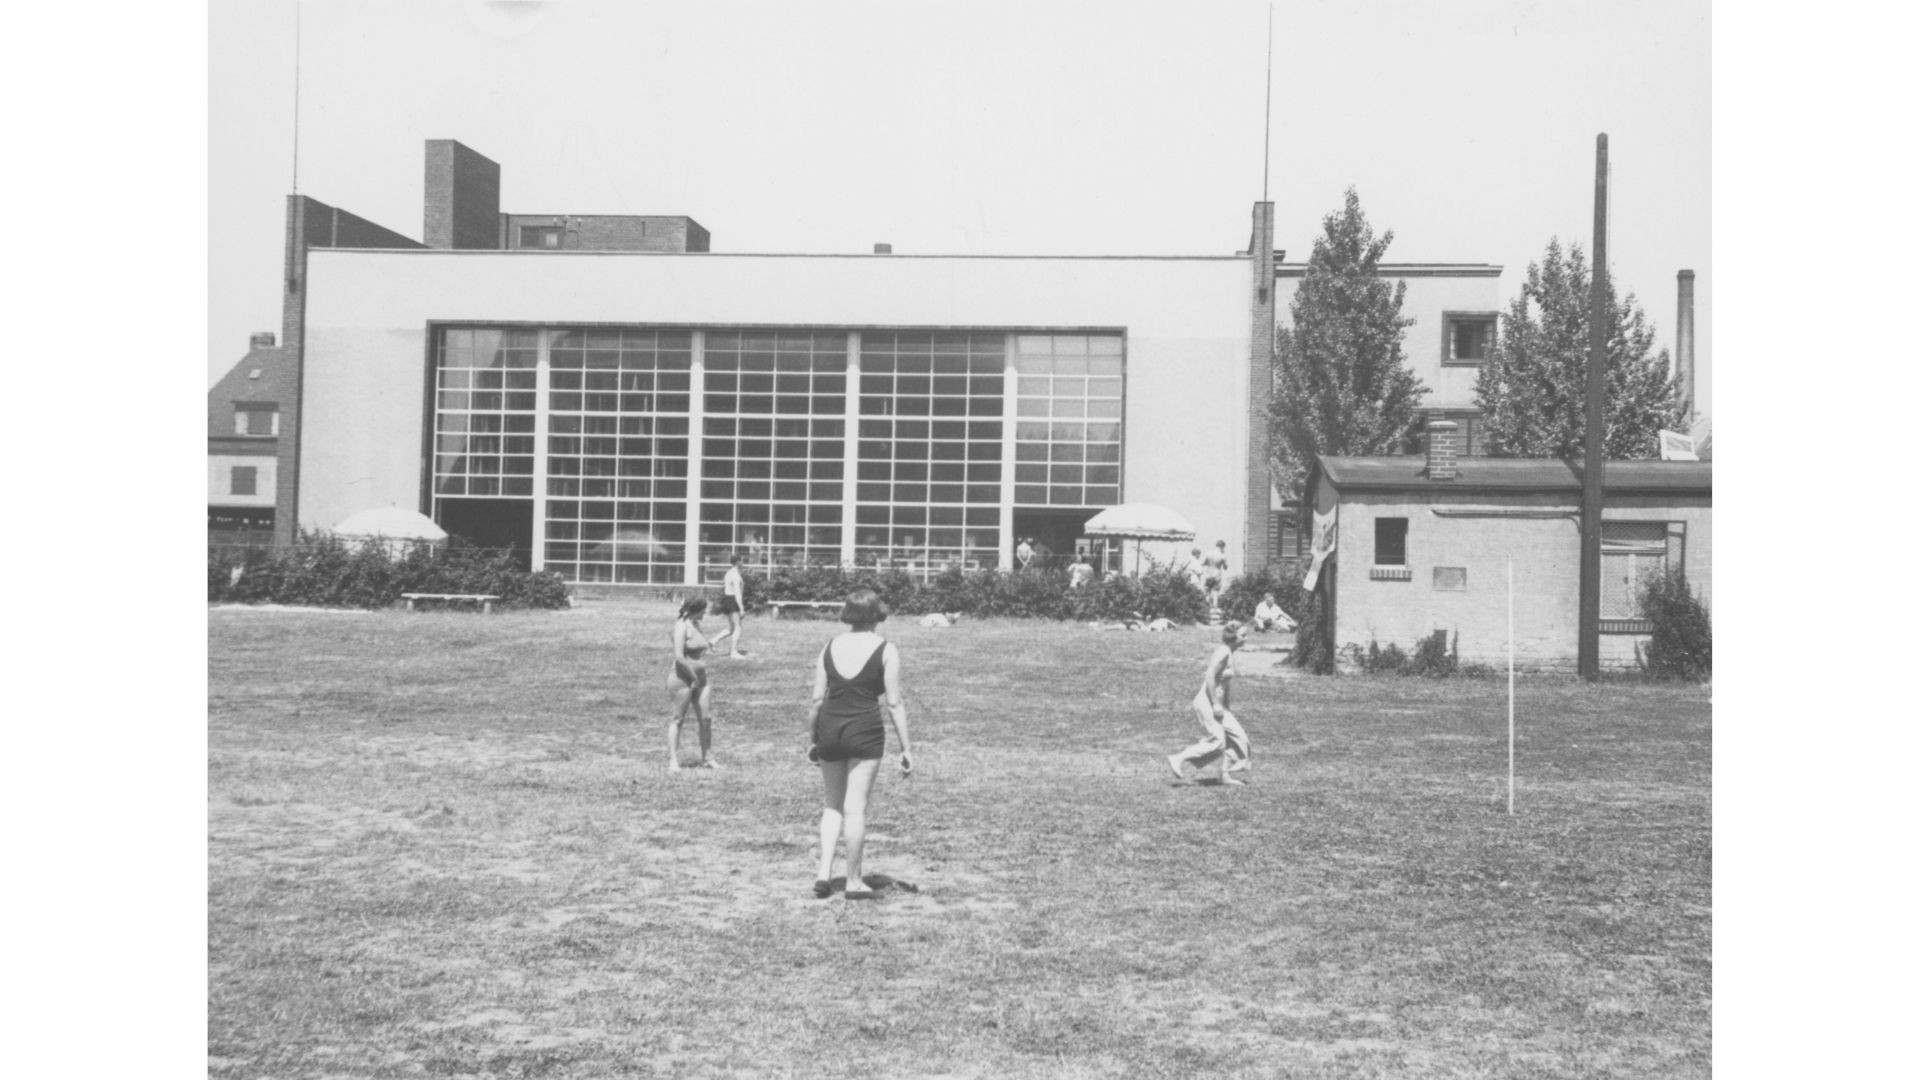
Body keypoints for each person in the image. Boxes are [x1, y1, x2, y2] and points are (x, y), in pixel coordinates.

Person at [807, 588, 914, 899]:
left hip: (829, 726)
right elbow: (894, 703)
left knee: (832, 805)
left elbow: (816, 699)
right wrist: (906, 748)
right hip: (864, 730)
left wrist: (812, 739)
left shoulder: (829, 646)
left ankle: (824, 873)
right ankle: (853, 880)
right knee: (855, 809)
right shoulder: (886, 649)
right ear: (876, 614)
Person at [1167, 621, 1251, 785]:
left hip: (1218, 703)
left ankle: (1225, 776)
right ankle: (1178, 758)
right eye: (1243, 635)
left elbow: (1223, 683)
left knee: (1239, 738)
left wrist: (1225, 705)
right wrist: (1216, 704)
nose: (1246, 638)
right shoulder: (1223, 652)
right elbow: (1210, 676)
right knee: (1218, 742)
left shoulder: (1230, 652)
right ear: (1233, 636)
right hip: (1207, 702)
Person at [666, 597, 719, 772]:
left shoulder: (695, 624)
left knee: (706, 719)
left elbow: (699, 646)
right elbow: (679, 656)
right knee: (678, 719)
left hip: (702, 679)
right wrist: (693, 678)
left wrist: (710, 644)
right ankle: (674, 761)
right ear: (696, 609)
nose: (705, 613)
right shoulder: (681, 626)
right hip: (682, 678)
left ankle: (708, 758)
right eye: (704, 610)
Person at [711, 553, 751, 659]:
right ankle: (733, 652)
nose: (743, 563)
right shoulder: (736, 576)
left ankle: (712, 641)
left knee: (733, 628)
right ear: (738, 562)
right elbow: (737, 593)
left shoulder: (729, 573)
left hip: (727, 599)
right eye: (742, 561)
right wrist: (741, 608)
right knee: (738, 627)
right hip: (733, 600)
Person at [1201, 539, 1230, 608]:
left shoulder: (1208, 553)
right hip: (1217, 574)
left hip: (1208, 574)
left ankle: (1206, 607)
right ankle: (1215, 606)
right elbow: (1225, 567)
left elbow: (1203, 563)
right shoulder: (1222, 556)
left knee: (1208, 590)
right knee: (1215, 591)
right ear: (1222, 547)